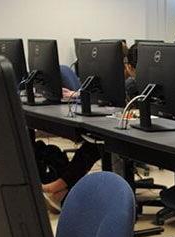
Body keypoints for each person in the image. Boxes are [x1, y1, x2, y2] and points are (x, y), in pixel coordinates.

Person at [43, 41, 138, 212]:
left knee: (97, 143)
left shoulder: (132, 84)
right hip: (124, 130)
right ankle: (60, 189)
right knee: (95, 142)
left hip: (138, 138)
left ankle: (60, 188)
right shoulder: (125, 83)